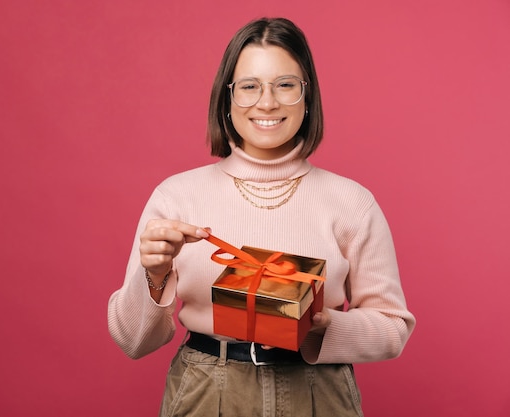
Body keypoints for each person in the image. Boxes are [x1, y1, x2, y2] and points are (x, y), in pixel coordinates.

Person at [107, 17, 415, 417]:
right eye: (250, 87)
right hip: (207, 388)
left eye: (285, 85)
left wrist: (322, 328)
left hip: (318, 390)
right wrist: (155, 274)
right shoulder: (176, 197)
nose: (266, 103)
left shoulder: (351, 202)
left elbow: (393, 328)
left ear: (307, 97)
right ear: (227, 99)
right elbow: (133, 342)